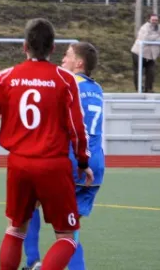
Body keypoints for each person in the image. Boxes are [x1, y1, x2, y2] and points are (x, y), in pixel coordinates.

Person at [0, 18, 93, 270]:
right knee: (66, 237)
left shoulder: (6, 77)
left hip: (19, 165)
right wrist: (83, 162)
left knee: (16, 229)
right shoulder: (65, 79)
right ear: (52, 49)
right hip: (54, 165)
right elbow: (77, 129)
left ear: (24, 46)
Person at [23, 42, 105, 270]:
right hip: (95, 166)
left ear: (79, 63)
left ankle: (33, 261)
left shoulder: (67, 84)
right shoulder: (97, 89)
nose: (62, 59)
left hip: (72, 162)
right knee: (71, 230)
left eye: (67, 56)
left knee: (28, 202)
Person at [130, 14, 160, 93]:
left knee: (151, 72)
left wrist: (152, 38)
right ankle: (138, 89)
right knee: (138, 72)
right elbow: (144, 39)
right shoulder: (144, 27)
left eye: (156, 20)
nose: (154, 22)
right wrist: (156, 36)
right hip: (139, 53)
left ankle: (148, 89)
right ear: (149, 20)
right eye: (153, 20)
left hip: (152, 55)